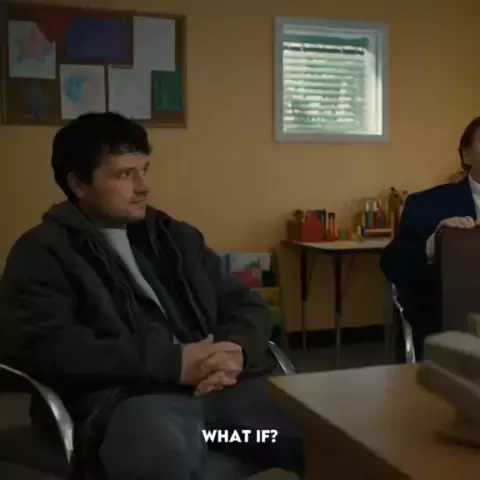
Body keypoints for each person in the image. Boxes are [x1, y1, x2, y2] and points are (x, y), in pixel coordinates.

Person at [0, 112, 305, 479]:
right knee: (163, 458)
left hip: (222, 389)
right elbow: (46, 347)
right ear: (79, 184)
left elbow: (246, 304)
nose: (144, 187)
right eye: (124, 175)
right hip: (131, 400)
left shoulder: (174, 237)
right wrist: (172, 363)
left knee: (324, 431)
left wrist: (236, 350)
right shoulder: (42, 253)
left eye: (144, 170)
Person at [381, 116, 480, 358]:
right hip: (453, 333)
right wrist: (435, 243)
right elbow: (392, 264)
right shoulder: (428, 204)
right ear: (466, 155)